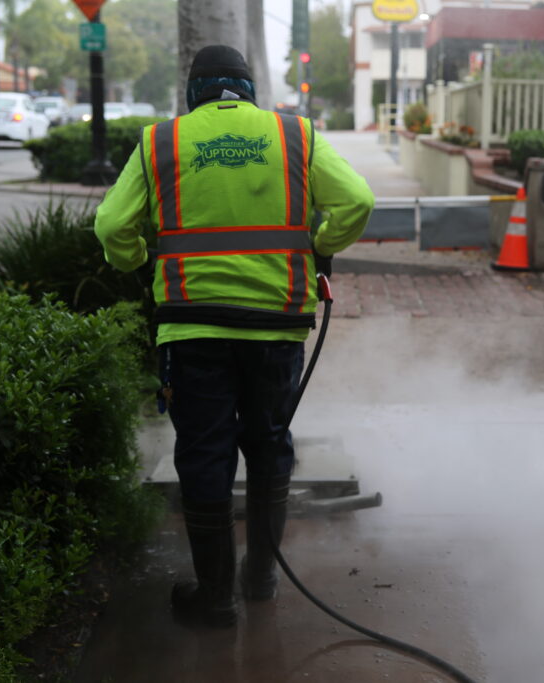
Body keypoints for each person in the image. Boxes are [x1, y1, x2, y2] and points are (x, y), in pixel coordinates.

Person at [94, 44, 374, 628]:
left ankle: (216, 596)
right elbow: (358, 201)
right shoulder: (295, 135)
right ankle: (262, 578)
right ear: (247, 89)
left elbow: (112, 225)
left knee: (204, 450)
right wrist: (322, 245)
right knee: (270, 441)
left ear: (193, 92)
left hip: (193, 326)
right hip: (277, 324)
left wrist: (137, 257)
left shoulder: (162, 141)